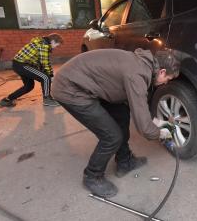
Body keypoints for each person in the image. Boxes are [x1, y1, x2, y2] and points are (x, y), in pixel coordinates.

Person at [51, 48, 180, 197]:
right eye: (168, 79)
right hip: (71, 89)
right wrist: (161, 132)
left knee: (122, 114)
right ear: (162, 72)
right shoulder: (137, 75)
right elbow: (145, 129)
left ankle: (124, 162)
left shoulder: (144, 63)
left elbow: (140, 110)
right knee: (112, 136)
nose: (165, 83)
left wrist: (154, 122)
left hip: (86, 81)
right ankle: (92, 176)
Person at [0, 33, 63, 108]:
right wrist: (50, 75)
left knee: (28, 86)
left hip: (18, 64)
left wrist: (46, 72)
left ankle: (7, 100)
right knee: (45, 77)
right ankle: (47, 99)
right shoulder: (44, 45)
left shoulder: (40, 42)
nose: (56, 47)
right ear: (53, 41)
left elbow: (40, 62)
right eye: (57, 45)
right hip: (23, 64)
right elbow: (45, 62)